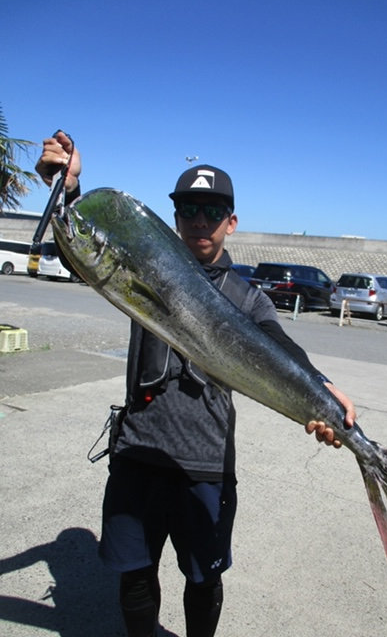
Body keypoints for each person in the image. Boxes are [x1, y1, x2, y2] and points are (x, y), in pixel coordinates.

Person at [36, 131, 356, 637]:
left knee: (203, 580)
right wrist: (69, 191)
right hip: (138, 452)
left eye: (212, 212)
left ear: (231, 222)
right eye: (189, 211)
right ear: (174, 220)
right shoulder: (145, 269)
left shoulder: (248, 298)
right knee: (135, 577)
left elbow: (280, 347)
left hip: (205, 464)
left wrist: (323, 387)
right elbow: (87, 249)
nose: (200, 222)